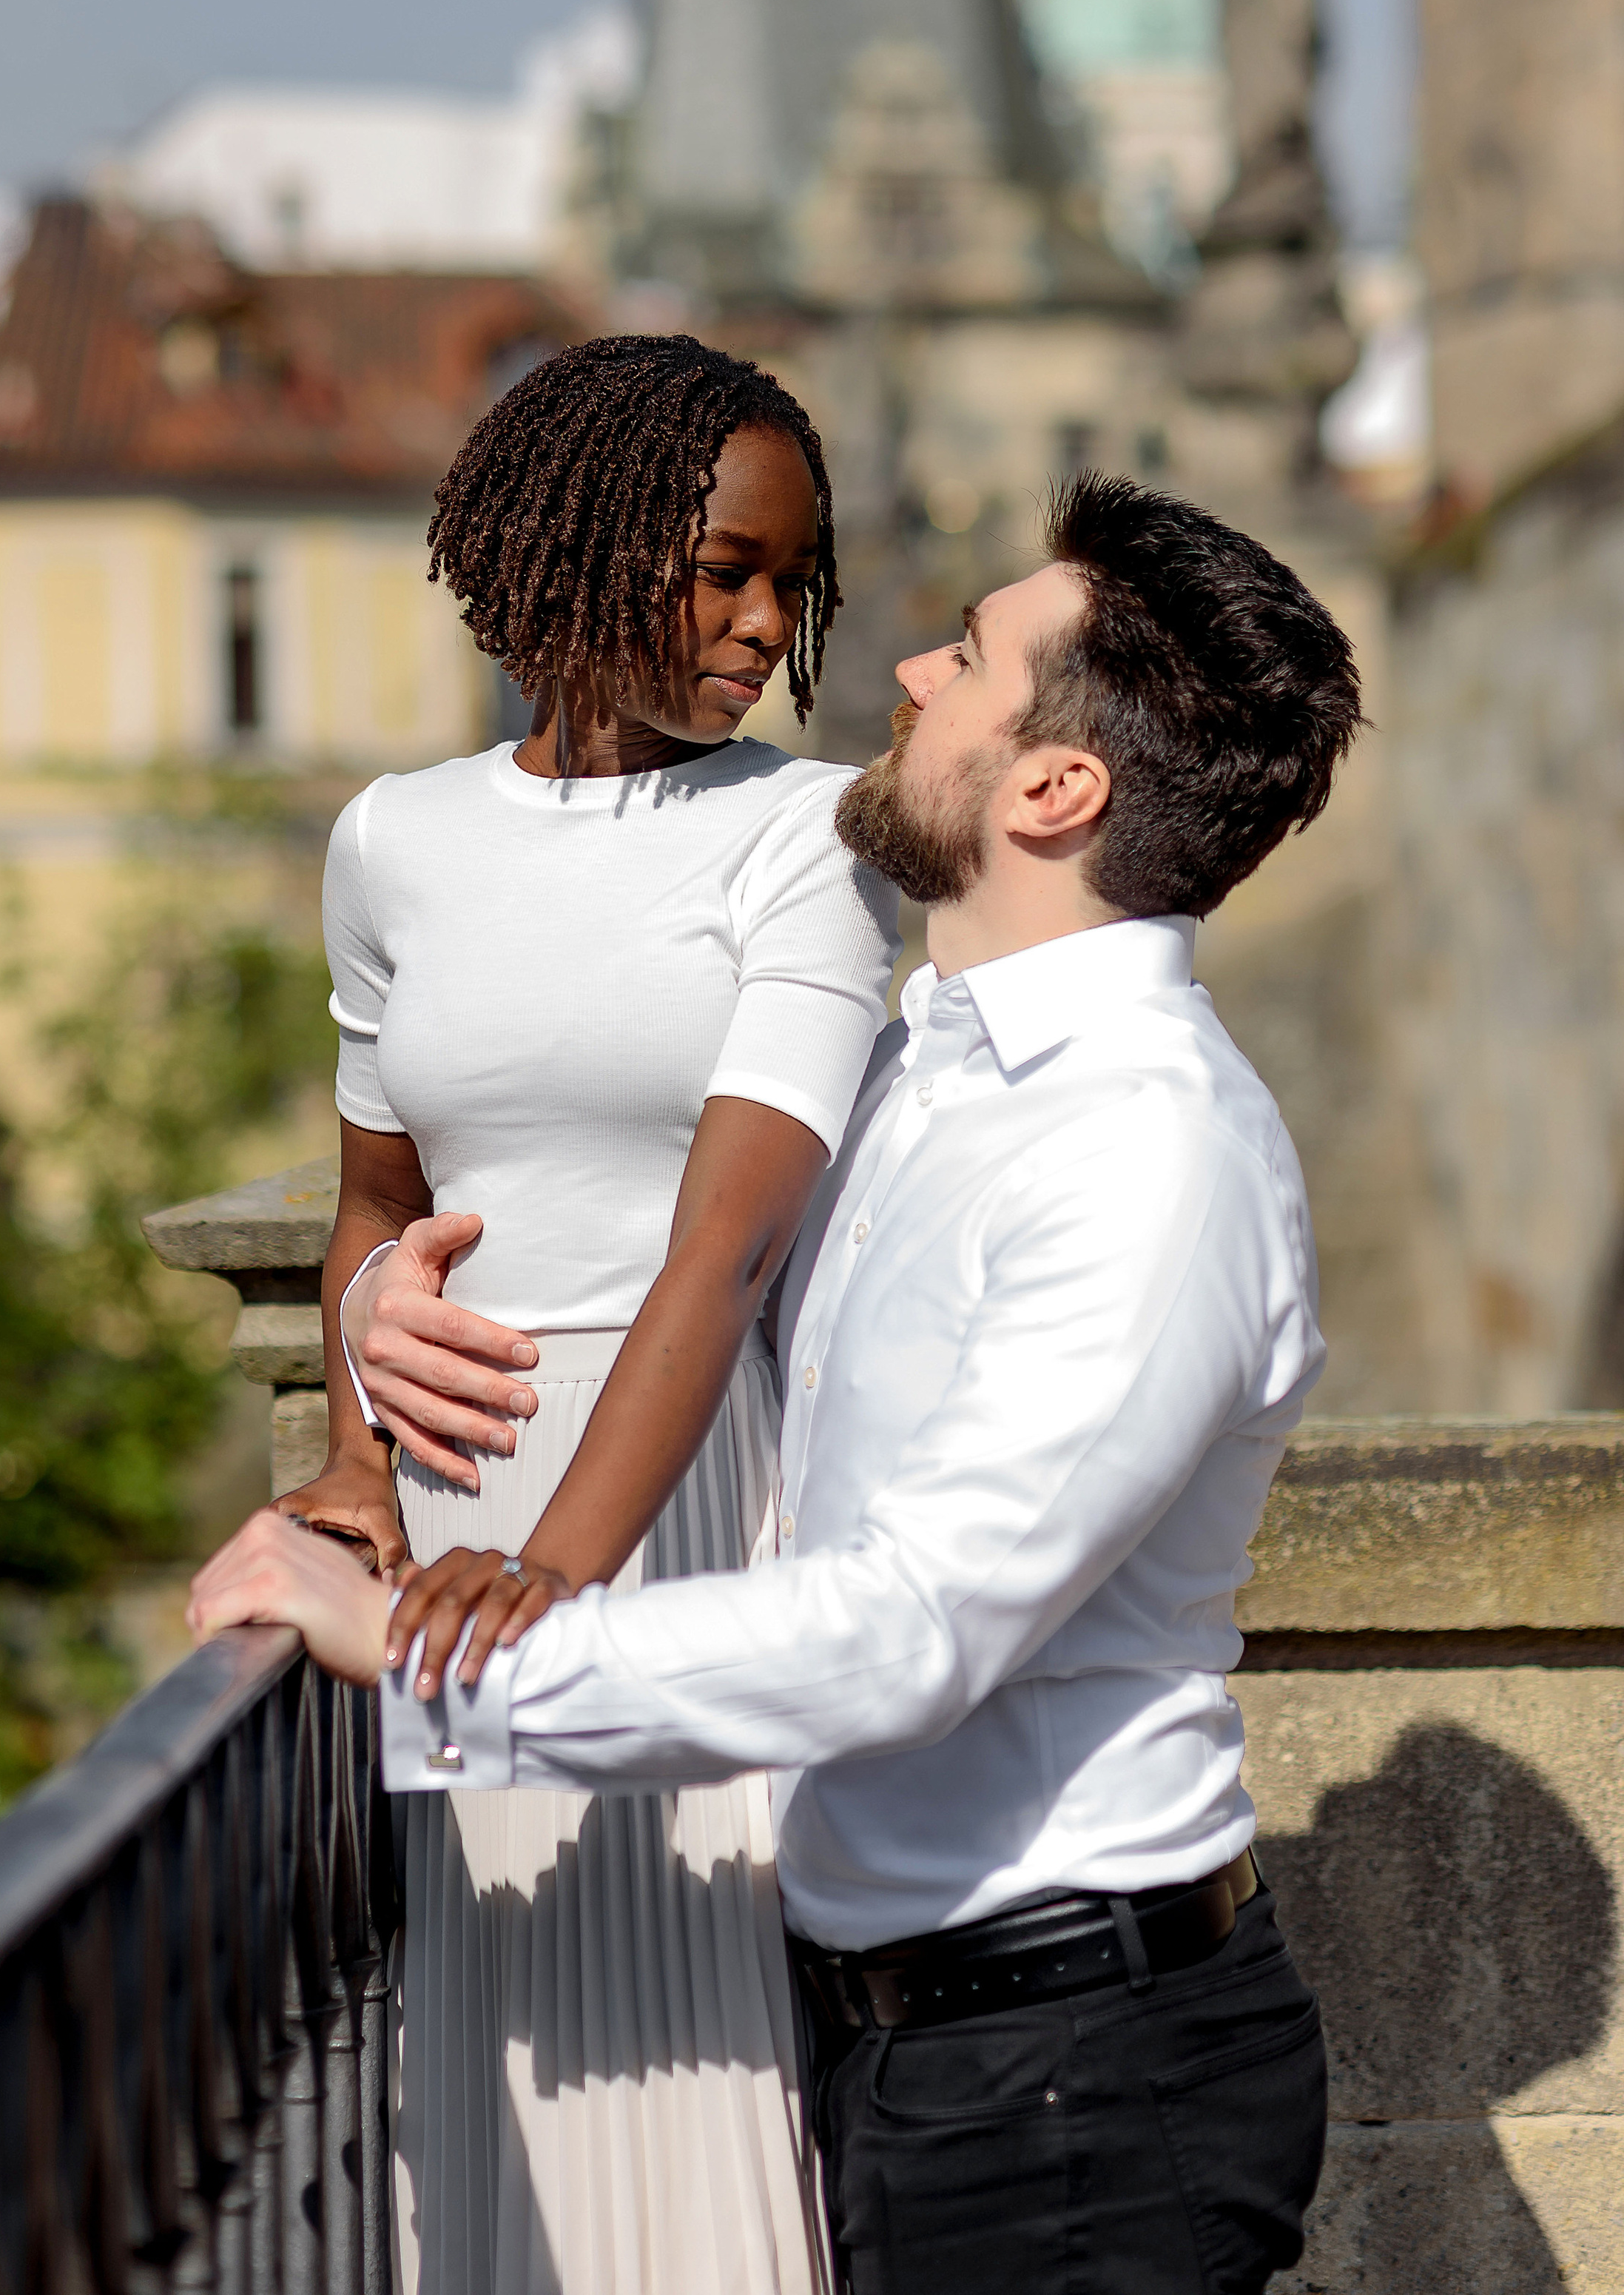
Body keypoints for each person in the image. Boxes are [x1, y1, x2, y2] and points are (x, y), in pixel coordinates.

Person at [192, 471, 1363, 2295]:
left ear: (1054, 789)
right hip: (910, 2040)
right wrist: (385, 1324)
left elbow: (913, 1629)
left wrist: (418, 1649)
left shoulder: (1149, 1155)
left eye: (964, 661)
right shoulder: (923, 1081)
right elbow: (651, 1284)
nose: (895, 667)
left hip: (1067, 2083)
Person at [273, 332, 899, 2295]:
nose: (763, 619)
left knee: (718, 2149)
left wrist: (552, 1579)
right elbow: (382, 1207)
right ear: (587, 541)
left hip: (684, 1527)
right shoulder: (395, 841)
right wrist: (360, 1466)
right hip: (464, 1560)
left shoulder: (812, 836)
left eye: (791, 582)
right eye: (725, 567)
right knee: (495, 2133)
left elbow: (719, 1246)